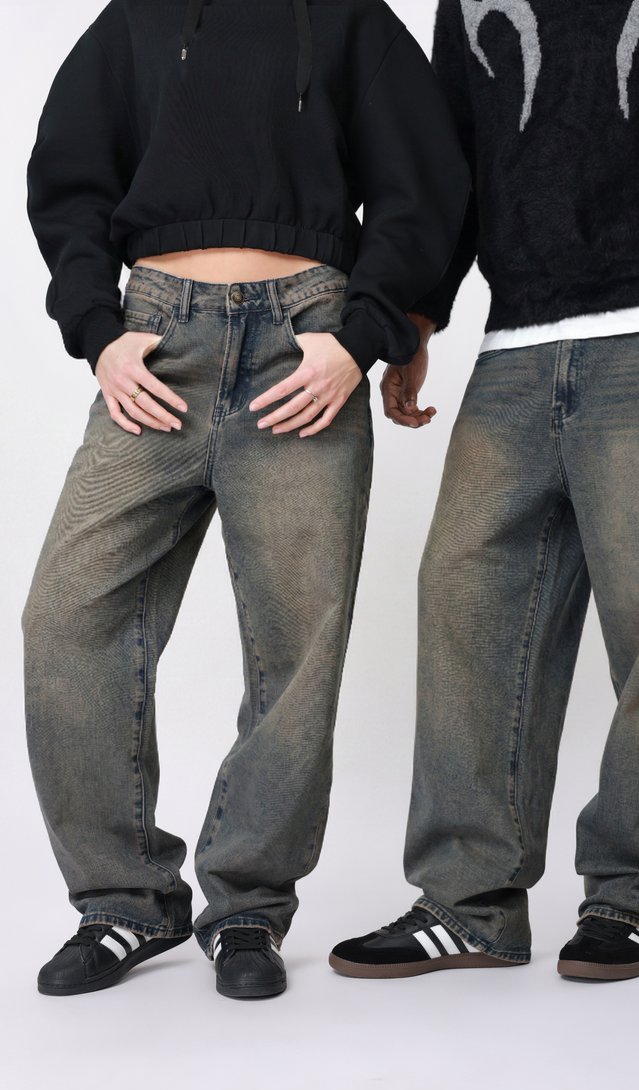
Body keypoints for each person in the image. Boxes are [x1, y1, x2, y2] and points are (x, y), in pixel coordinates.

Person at [329, 0, 639, 982]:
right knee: (463, 604)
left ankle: (631, 896)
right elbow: (451, 158)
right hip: (513, 347)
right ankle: (469, 903)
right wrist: (417, 319)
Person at [24, 0, 469, 999]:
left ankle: (248, 908)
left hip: (304, 348)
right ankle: (124, 903)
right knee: (66, 619)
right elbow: (68, 176)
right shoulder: (138, 17)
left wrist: (362, 337)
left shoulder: (349, 18)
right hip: (157, 348)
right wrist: (97, 331)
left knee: (295, 648)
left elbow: (425, 179)